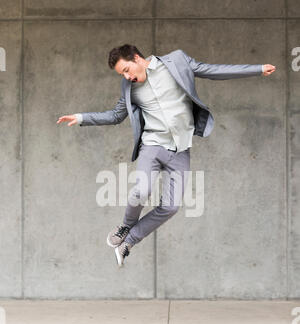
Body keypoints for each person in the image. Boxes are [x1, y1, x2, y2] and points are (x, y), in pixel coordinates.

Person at [57, 44, 276, 267]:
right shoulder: (129, 87)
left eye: (126, 69)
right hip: (151, 146)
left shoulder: (176, 61)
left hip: (180, 150)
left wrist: (256, 69)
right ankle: (125, 226)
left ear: (136, 58)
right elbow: (115, 115)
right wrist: (81, 117)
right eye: (122, 74)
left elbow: (212, 70)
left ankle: (129, 242)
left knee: (171, 206)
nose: (127, 76)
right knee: (141, 191)